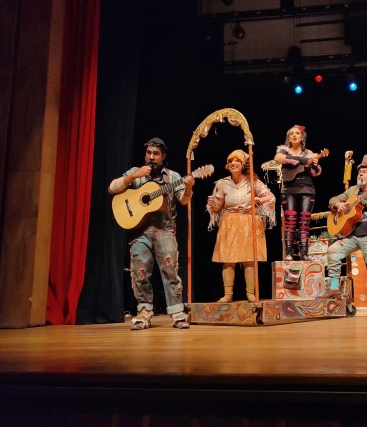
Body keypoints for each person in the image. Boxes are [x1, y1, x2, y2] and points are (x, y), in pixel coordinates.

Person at [108, 138, 194, 330]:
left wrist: (188, 186)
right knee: (140, 272)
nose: (151, 157)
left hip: (165, 230)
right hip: (140, 232)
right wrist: (132, 177)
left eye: (156, 154)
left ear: (163, 157)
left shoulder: (172, 177)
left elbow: (183, 200)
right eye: (149, 153)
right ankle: (144, 312)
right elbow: (112, 188)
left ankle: (177, 313)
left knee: (170, 271)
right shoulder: (136, 173)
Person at [323, 154, 367, 319]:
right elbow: (332, 199)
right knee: (333, 251)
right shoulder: (352, 190)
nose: (361, 174)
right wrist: (337, 204)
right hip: (352, 235)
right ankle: (334, 289)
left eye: (365, 172)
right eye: (360, 171)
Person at [207, 149, 276, 303]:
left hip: (248, 220)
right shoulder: (222, 183)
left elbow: (270, 196)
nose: (233, 163)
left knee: (249, 259)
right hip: (230, 221)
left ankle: (250, 293)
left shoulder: (253, 181)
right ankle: (228, 294)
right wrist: (213, 204)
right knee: (228, 259)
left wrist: (260, 199)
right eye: (231, 161)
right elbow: (218, 207)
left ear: (243, 164)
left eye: (237, 161)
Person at [274, 125, 322, 261]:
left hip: (307, 189)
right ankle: (289, 252)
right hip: (289, 190)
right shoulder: (283, 150)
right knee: (290, 221)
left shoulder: (309, 152)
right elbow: (278, 159)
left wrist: (314, 164)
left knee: (304, 223)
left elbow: (315, 173)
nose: (294, 135)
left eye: (297, 133)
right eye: (291, 134)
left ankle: (303, 253)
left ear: (302, 137)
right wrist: (302, 160)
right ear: (288, 137)